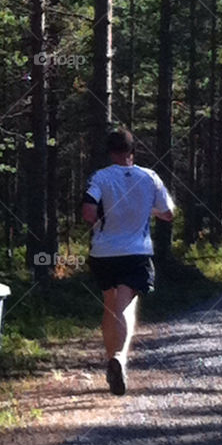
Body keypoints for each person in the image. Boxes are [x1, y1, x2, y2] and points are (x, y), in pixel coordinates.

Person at [81, 128, 174, 395]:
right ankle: (118, 359)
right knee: (122, 308)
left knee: (111, 305)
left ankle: (113, 358)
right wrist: (148, 210)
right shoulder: (149, 176)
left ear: (111, 152)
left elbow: (88, 211)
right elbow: (168, 213)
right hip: (136, 252)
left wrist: (99, 220)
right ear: (133, 152)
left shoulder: (100, 177)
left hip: (103, 252)